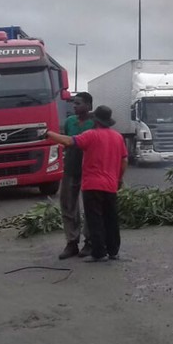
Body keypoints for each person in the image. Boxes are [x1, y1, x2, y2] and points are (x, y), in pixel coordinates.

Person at [45, 105, 128, 262]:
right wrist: (119, 178)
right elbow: (124, 160)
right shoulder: (117, 137)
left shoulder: (90, 135)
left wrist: (49, 134)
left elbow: (69, 141)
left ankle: (99, 253)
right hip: (110, 184)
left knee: (95, 219)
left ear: (95, 120)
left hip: (92, 184)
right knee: (110, 219)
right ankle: (113, 251)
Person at [57, 92, 95, 260]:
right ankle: (72, 242)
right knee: (68, 205)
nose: (75, 106)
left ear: (89, 106)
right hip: (70, 169)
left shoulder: (95, 124)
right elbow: (67, 142)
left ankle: (90, 242)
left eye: (78, 103)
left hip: (89, 170)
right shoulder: (69, 122)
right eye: (74, 103)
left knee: (90, 207)